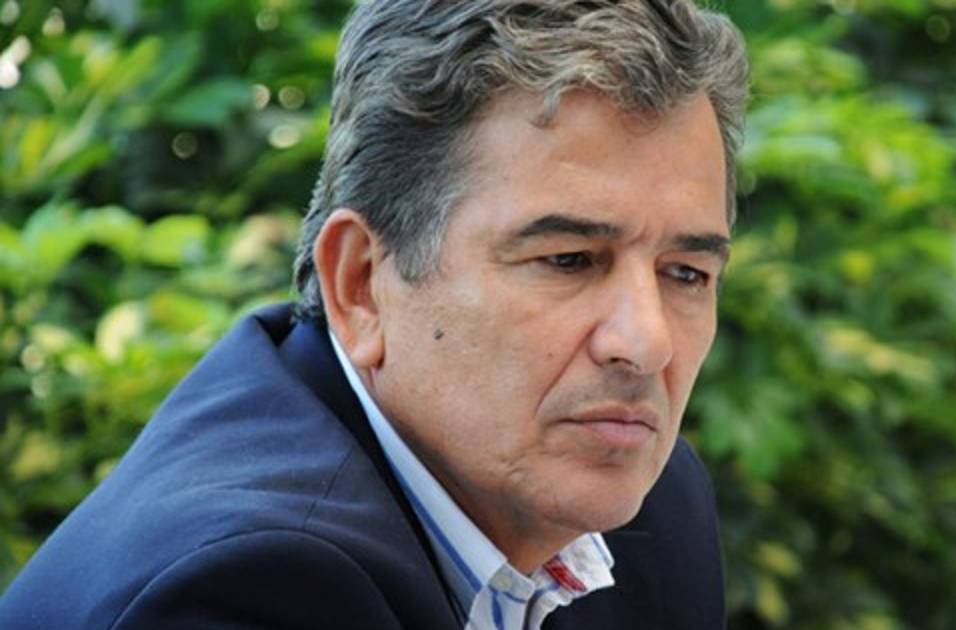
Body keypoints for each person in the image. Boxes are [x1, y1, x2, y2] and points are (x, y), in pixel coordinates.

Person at [0, 0, 748, 628]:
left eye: (686, 273)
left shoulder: (646, 515)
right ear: (360, 286)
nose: (646, 341)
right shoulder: (246, 589)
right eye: (568, 260)